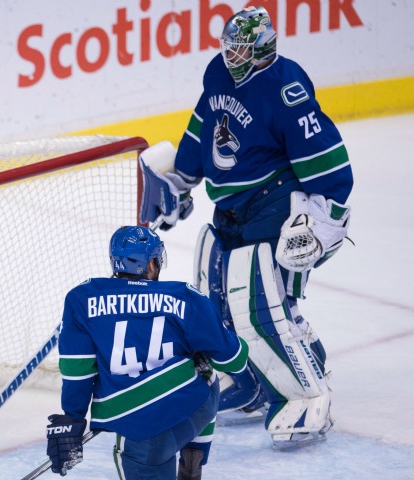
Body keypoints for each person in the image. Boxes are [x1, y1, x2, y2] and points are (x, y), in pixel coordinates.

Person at [138, 6, 353, 449]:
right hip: (230, 208)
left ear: (263, 47)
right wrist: (181, 177)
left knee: (256, 304)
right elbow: (203, 128)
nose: (230, 55)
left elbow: (328, 159)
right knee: (215, 302)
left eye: (240, 48)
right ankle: (251, 380)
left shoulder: (284, 87)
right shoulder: (218, 71)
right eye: (228, 45)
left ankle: (307, 395)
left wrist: (325, 217)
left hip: (274, 202)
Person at [45, 226, 249, 479]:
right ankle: (193, 458)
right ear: (151, 264)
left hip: (137, 426)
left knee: (143, 451)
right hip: (194, 409)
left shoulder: (82, 298)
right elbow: (233, 360)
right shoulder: (185, 296)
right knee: (203, 369)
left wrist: (72, 417)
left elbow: (78, 369)